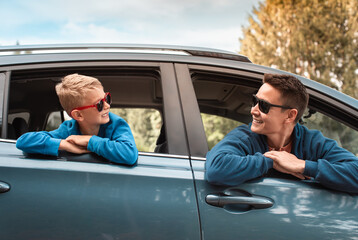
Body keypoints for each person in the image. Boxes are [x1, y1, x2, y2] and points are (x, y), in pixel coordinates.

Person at [205, 73, 358, 193]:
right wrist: (272, 162)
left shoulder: (313, 142)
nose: (253, 110)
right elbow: (216, 169)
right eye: (254, 101)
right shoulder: (245, 137)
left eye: (263, 105)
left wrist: (302, 166)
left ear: (290, 115)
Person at [16, 73, 138, 165]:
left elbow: (129, 154)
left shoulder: (116, 124)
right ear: (78, 115)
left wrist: (90, 141)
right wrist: (62, 144)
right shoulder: (68, 130)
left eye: (107, 98)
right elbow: (23, 141)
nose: (107, 105)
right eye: (99, 104)